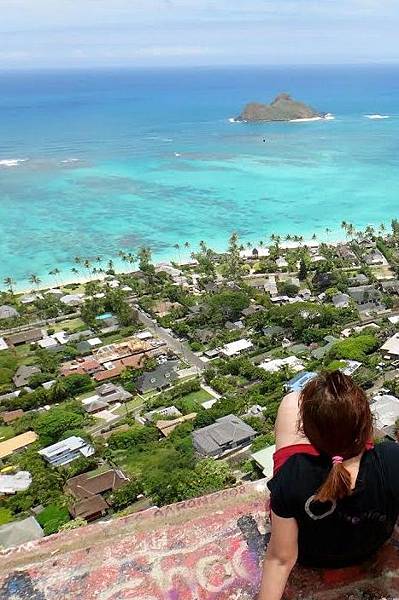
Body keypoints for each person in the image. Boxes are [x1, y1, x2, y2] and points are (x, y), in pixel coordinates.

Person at [258, 370, 399, 600]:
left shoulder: (294, 474)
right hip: (370, 547)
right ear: (367, 426)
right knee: (337, 416)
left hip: (312, 556)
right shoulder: (392, 459)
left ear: (307, 433)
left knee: (292, 400)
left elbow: (280, 560)